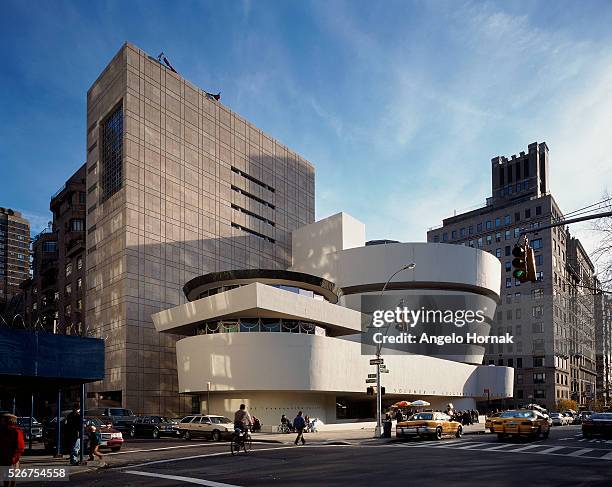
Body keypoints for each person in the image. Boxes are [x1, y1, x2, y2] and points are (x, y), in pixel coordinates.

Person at [0, 413, 25, 487]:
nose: (1, 422)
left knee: (10, 477)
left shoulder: (15, 431)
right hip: (6, 458)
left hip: (11, 458)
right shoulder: (3, 430)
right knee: (7, 477)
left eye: (3, 420)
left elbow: (20, 447)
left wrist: (14, 458)